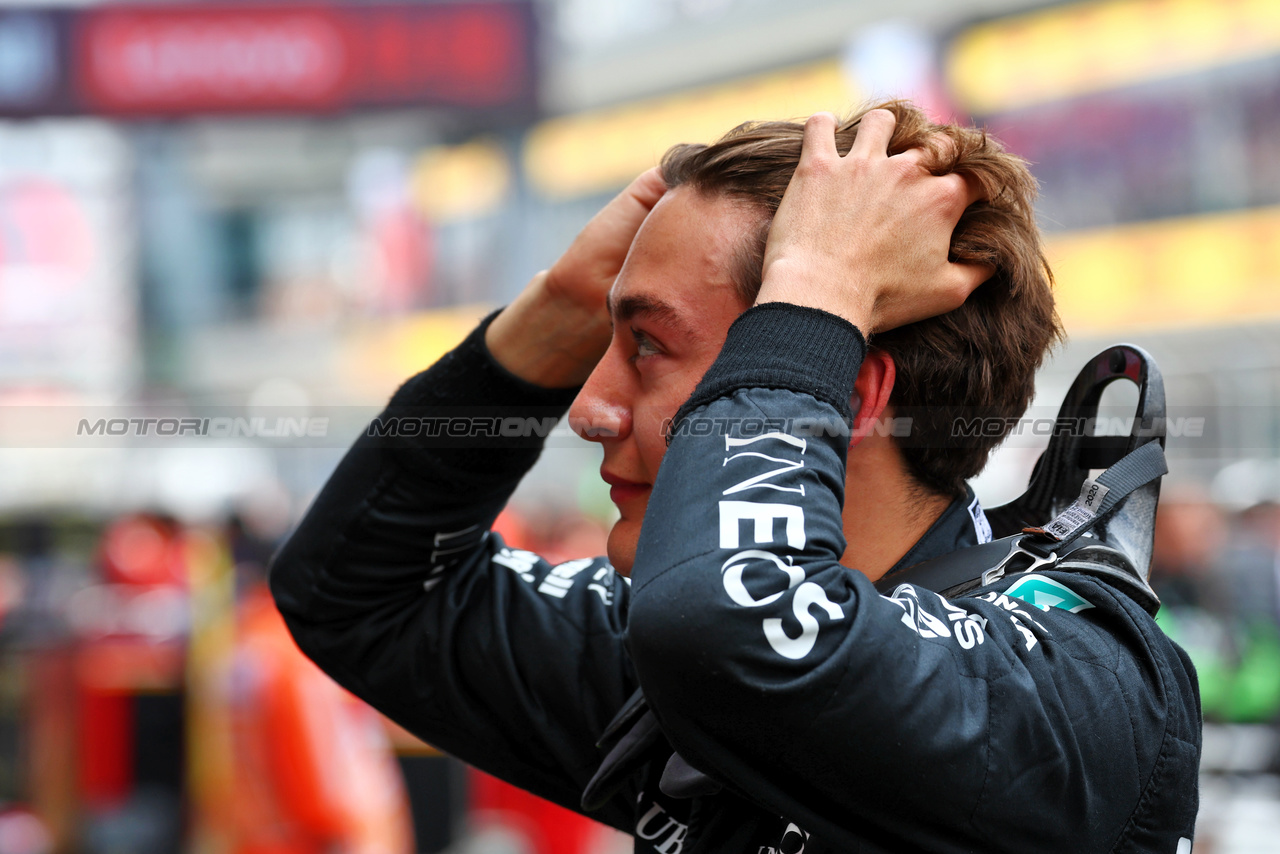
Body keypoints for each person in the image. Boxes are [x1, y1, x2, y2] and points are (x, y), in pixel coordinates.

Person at [270, 103, 1201, 852]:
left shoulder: (1075, 686)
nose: (589, 407)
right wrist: (556, 311)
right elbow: (359, 591)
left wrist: (814, 295)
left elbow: (736, 623)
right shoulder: (678, 651)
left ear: (846, 394)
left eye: (647, 346)